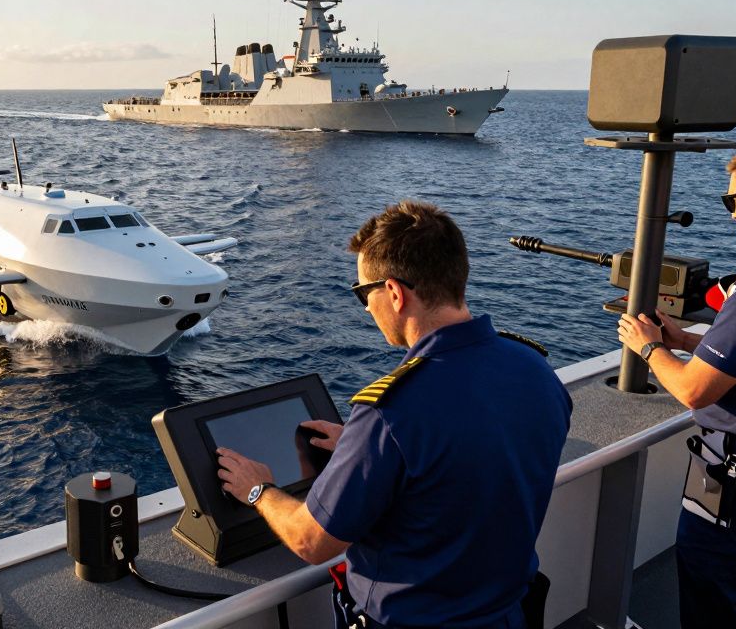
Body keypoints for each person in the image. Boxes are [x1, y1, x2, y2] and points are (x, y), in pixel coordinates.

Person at [217, 201, 572, 628]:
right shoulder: (535, 369)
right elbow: (475, 459)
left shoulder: (391, 411)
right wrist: (364, 448)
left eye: (363, 294)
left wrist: (258, 490)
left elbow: (312, 542)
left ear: (395, 293)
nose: (367, 308)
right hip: (509, 615)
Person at [618, 136, 736, 629]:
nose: (732, 214)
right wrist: (685, 339)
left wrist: (650, 347)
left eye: (732, 201)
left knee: (722, 605)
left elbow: (693, 391)